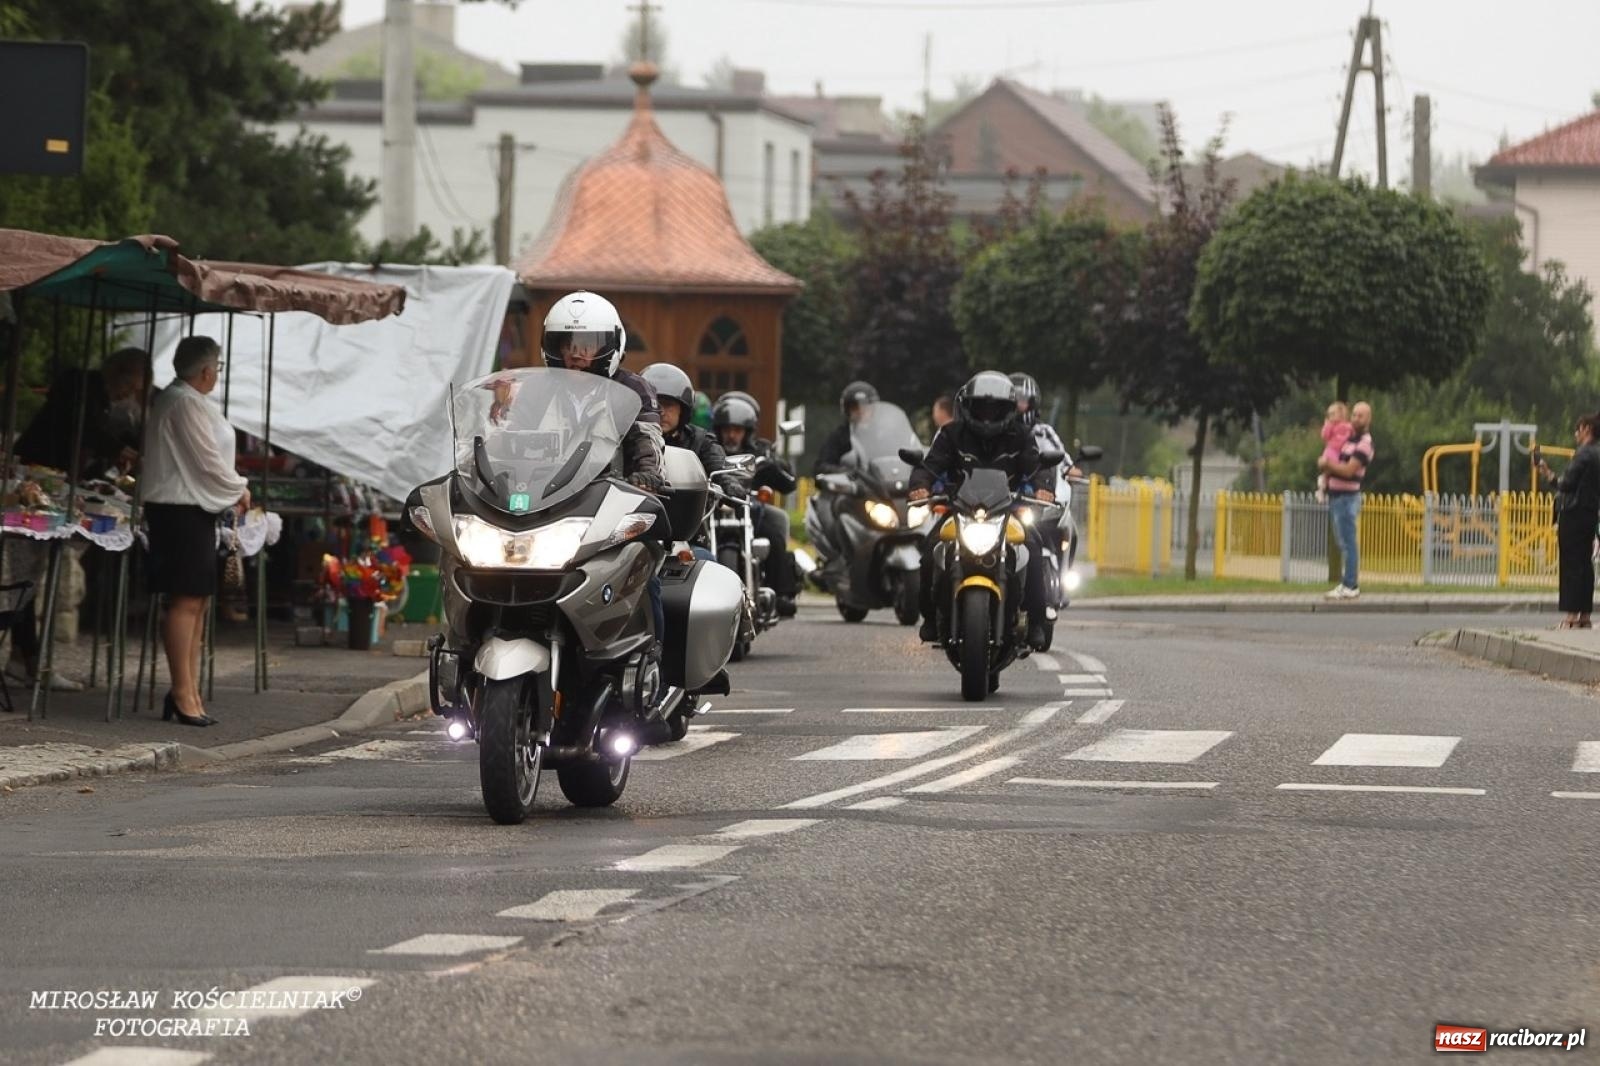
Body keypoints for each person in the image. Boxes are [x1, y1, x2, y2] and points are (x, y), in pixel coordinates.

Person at [3, 347, 151, 694]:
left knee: (32, 580)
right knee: (27, 580)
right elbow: (85, 428)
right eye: (131, 387)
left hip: (52, 482)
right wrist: (118, 450)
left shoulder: (92, 395)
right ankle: (30, 661)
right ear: (121, 373)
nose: (128, 395)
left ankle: (26, 659)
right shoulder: (81, 387)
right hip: (35, 484)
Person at [143, 337, 250, 726]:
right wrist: (238, 487)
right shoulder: (182, 402)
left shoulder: (187, 399)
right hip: (179, 507)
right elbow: (206, 459)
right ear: (207, 370)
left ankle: (188, 689)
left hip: (191, 507)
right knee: (185, 599)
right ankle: (182, 690)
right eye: (217, 368)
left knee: (197, 600)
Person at [909, 370, 1055, 650]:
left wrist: (1042, 486)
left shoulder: (1021, 436)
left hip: (1006, 511)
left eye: (995, 408)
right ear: (968, 406)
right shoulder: (952, 434)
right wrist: (921, 485)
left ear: (1008, 409)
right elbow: (929, 466)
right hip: (961, 510)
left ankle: (1036, 620)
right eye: (981, 407)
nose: (988, 416)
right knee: (930, 550)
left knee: (1034, 548)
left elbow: (1037, 467)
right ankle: (929, 617)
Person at [713, 393, 799, 616]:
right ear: (719, 429)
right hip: (712, 509)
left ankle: (781, 593)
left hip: (749, 512)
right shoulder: (708, 449)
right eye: (727, 429)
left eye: (738, 430)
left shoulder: (760, 451)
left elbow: (789, 484)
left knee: (774, 534)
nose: (732, 435)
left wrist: (775, 464)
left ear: (748, 431)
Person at [642, 362, 730, 562]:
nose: (661, 411)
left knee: (705, 562)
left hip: (685, 534)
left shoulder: (699, 441)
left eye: (669, 404)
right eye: (654, 403)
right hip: (634, 530)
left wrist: (729, 483)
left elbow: (718, 464)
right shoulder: (627, 438)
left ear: (684, 410)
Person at [1537, 414, 1600, 628]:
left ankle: (1571, 616)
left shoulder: (1583, 454)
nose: (1575, 433)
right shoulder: (1598, 454)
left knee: (1571, 563)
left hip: (1573, 514)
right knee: (1584, 563)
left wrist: (1548, 474)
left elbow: (1567, 484)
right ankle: (1585, 616)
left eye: (1578, 429)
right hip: (1590, 514)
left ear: (1587, 429)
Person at [1318, 400, 1375, 600]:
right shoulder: (1349, 440)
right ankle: (1347, 583)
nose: (1356, 419)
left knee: (1348, 542)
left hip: (1347, 498)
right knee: (1343, 542)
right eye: (1354, 415)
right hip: (1336, 496)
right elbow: (1335, 456)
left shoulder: (1364, 444)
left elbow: (1349, 470)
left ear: (1368, 419)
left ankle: (1350, 584)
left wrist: (1327, 465)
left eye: (1360, 416)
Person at [814, 381, 879, 476]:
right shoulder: (838, 437)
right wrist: (844, 472)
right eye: (855, 408)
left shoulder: (881, 436)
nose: (861, 412)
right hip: (851, 488)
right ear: (847, 411)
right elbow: (821, 467)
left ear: (873, 409)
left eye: (865, 407)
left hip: (884, 487)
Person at [1316, 401, 1352, 504]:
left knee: (1336, 468)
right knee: (1332, 466)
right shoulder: (1331, 426)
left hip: (1341, 451)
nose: (1331, 417)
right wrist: (1327, 425)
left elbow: (1352, 436)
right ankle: (1322, 485)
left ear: (1341, 414)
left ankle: (1323, 484)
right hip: (1332, 450)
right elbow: (1325, 436)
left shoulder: (1348, 426)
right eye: (1329, 415)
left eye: (1333, 414)